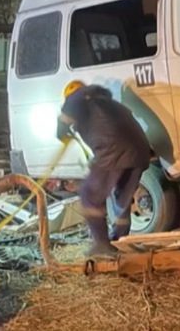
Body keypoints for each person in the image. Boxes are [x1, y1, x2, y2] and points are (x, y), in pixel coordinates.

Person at [57, 81, 150, 257]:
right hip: (140, 152)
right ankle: (117, 239)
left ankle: (101, 245)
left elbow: (73, 103)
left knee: (89, 195)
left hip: (113, 151)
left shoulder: (81, 97)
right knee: (121, 197)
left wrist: (61, 128)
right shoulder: (109, 104)